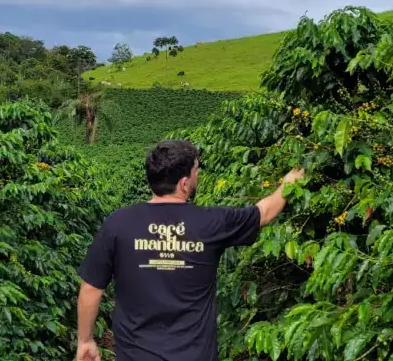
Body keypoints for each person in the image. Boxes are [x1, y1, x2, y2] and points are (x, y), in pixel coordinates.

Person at [74, 140, 305, 361]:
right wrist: (289, 182)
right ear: (184, 183)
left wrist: (85, 341)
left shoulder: (118, 223)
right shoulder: (211, 222)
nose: (199, 175)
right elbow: (263, 213)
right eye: (196, 170)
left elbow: (91, 288)